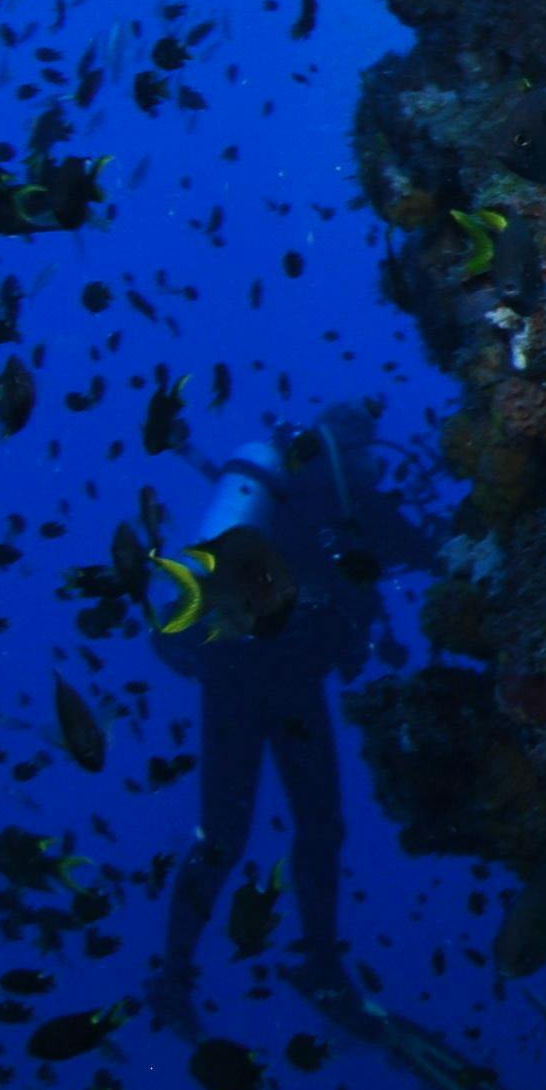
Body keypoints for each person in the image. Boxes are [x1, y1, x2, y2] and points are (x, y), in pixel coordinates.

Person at [145, 400, 433, 1028]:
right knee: (318, 828)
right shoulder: (343, 497)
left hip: (233, 674)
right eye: (364, 446)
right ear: (350, 446)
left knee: (223, 835)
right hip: (287, 681)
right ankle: (321, 970)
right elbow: (425, 550)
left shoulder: (288, 491)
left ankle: (173, 980)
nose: (369, 460)